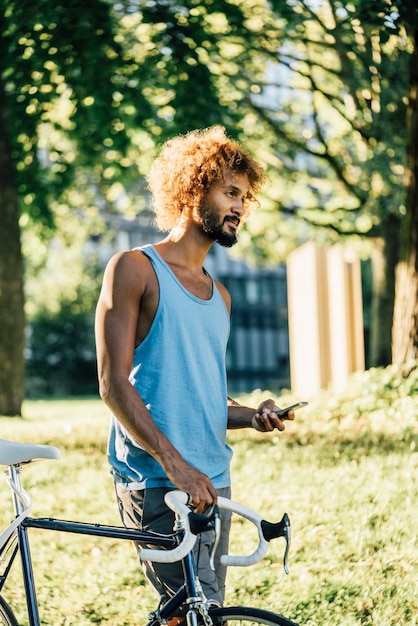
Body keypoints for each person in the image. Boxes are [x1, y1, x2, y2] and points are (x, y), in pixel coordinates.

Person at [94, 125, 296, 615]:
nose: (239, 208)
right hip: (158, 478)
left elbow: (201, 396)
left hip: (212, 479)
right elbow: (112, 384)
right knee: (190, 610)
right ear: (192, 188)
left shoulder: (219, 296)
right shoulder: (132, 269)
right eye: (230, 192)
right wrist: (176, 465)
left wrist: (253, 415)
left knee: (206, 611)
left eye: (245, 198)